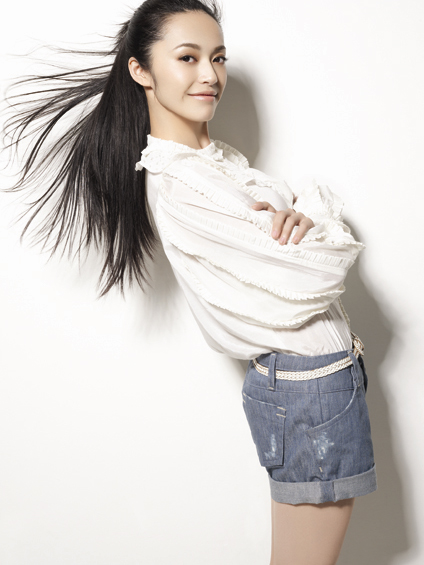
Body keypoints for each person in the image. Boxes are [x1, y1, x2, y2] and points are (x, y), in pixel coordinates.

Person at [3, 0, 377, 563]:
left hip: (321, 382)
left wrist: (302, 215)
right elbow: (319, 269)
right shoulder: (180, 182)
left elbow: (305, 225)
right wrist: (307, 215)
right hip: (308, 391)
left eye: (219, 58)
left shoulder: (216, 162)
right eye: (187, 57)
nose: (210, 75)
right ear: (140, 70)